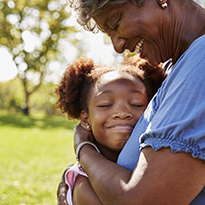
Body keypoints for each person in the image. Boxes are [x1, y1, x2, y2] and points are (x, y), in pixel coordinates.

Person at [59, 0, 205, 204]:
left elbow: (140, 199)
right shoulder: (177, 67)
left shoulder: (201, 64)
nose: (118, 46)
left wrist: (83, 148)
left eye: (116, 23)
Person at [55, 55, 166, 205]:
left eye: (136, 103)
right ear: (86, 120)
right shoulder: (84, 184)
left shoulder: (158, 161)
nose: (122, 112)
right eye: (105, 104)